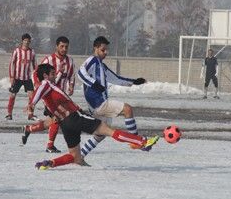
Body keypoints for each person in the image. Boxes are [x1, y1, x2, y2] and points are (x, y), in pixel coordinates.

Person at [30, 63, 159, 170]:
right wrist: (32, 104)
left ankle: (50, 163)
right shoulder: (46, 84)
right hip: (75, 117)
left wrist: (59, 74)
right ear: (45, 76)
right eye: (52, 74)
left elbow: (45, 93)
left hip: (66, 124)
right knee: (108, 131)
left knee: (76, 157)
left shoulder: (49, 90)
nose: (55, 76)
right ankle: (142, 141)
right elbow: (40, 89)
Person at [77, 36, 146, 157]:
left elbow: (116, 79)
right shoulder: (92, 60)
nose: (106, 53)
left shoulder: (102, 66)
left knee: (100, 135)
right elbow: (80, 73)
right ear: (96, 48)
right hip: (99, 103)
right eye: (103, 50)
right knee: (127, 109)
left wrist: (134, 82)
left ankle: (80, 155)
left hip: (96, 107)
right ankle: (136, 140)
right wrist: (94, 84)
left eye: (106, 50)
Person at [23, 36, 75, 153]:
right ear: (56, 46)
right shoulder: (48, 60)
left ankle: (29, 129)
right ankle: (50, 145)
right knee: (58, 118)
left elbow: (71, 75)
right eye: (61, 46)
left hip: (61, 96)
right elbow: (35, 73)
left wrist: (71, 85)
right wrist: (38, 85)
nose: (64, 49)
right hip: (49, 96)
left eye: (66, 47)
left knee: (54, 120)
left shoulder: (70, 61)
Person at [5, 33, 38, 121]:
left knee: (32, 96)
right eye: (25, 40)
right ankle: (9, 114)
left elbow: (35, 66)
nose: (26, 42)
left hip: (27, 78)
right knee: (12, 95)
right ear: (22, 41)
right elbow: (12, 63)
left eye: (28, 41)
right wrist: (12, 77)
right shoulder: (17, 51)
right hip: (17, 78)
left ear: (30, 42)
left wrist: (36, 77)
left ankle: (30, 114)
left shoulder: (32, 52)